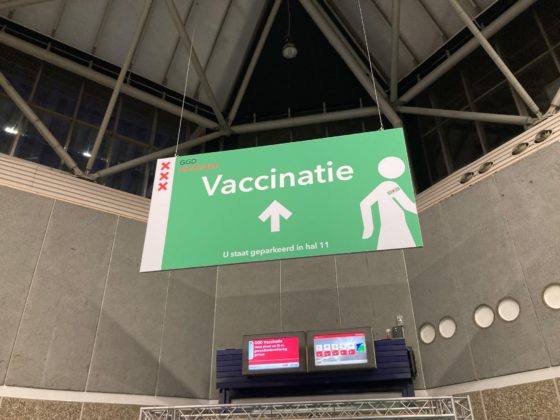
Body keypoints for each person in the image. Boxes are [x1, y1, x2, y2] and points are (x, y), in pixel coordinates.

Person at [360, 156, 418, 249]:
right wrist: (368, 229)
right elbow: (407, 206)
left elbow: (364, 204)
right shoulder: (391, 186)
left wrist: (369, 228)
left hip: (390, 226)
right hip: (397, 226)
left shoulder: (385, 186)